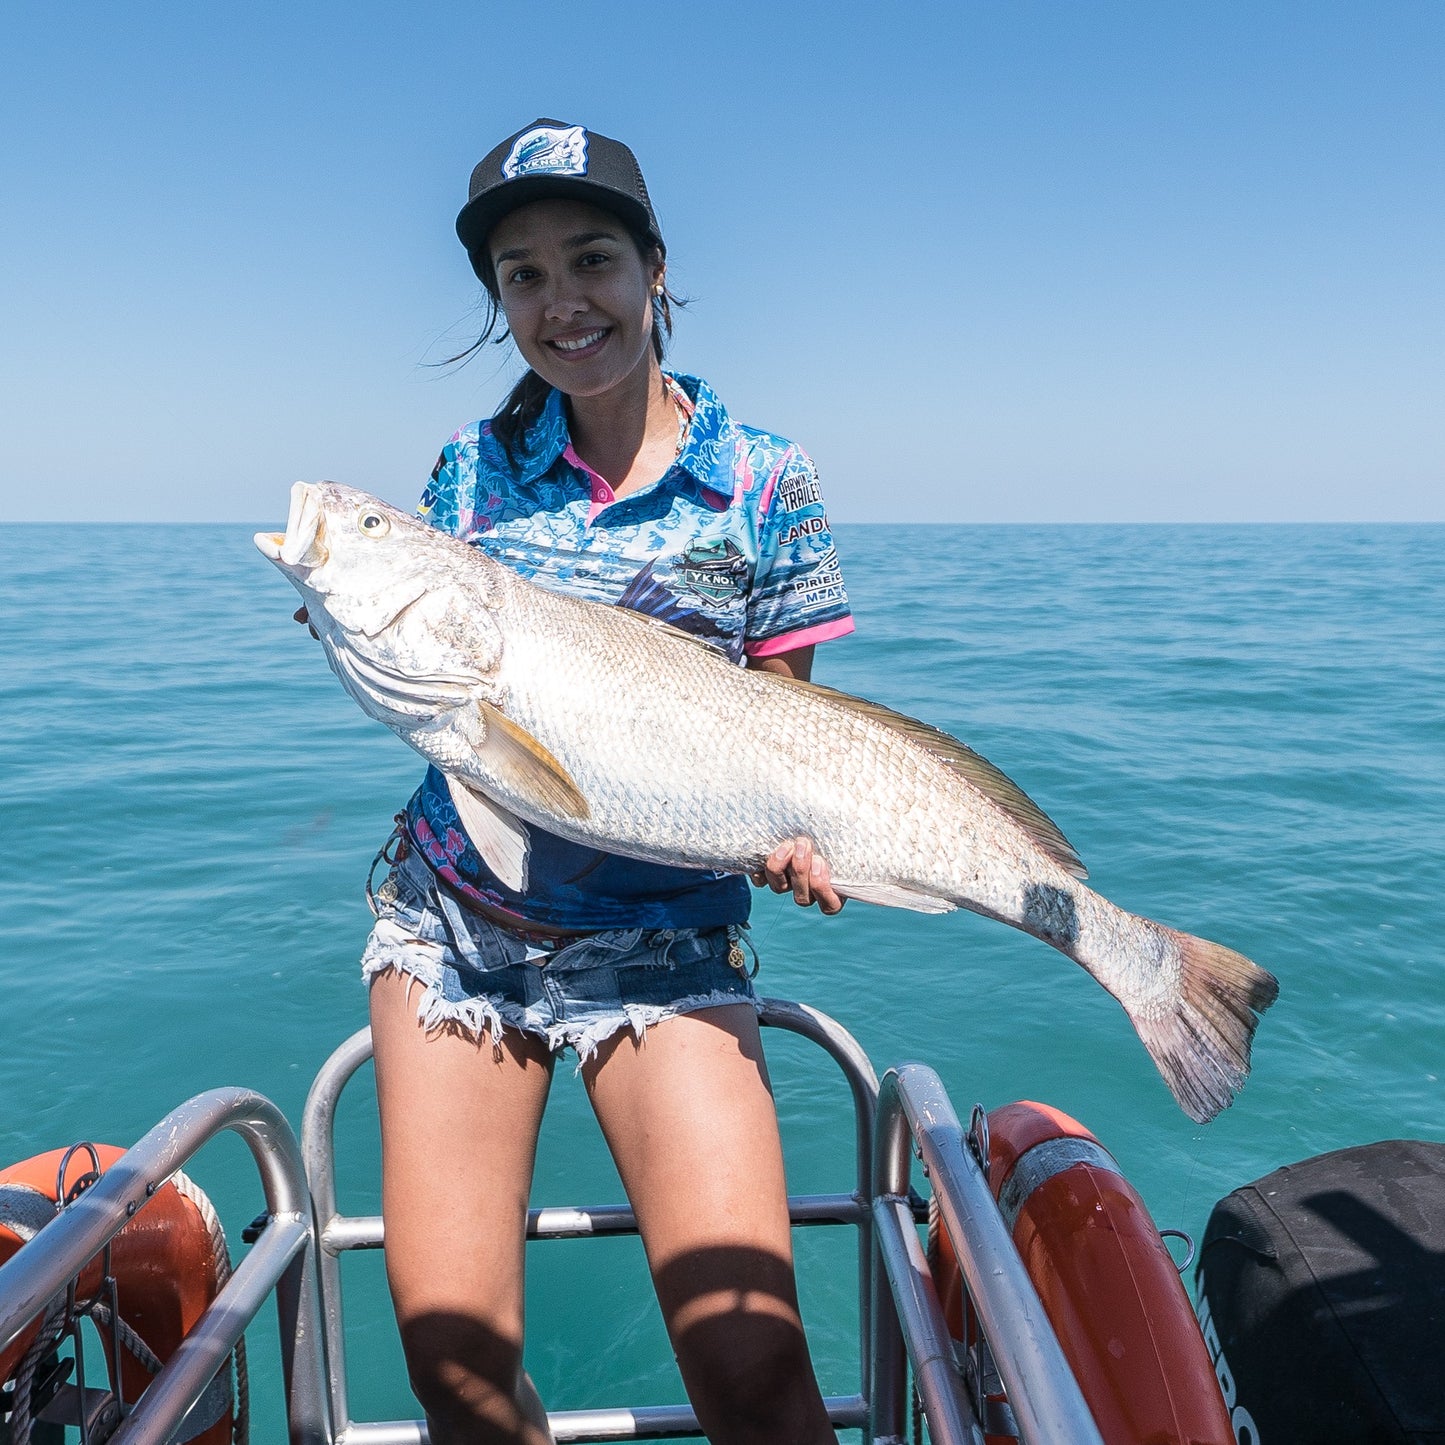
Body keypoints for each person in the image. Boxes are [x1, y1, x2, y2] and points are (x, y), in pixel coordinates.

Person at [356, 119, 855, 1445]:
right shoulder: (466, 472)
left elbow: (785, 732)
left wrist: (790, 840)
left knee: (750, 1367)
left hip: (667, 938)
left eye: (590, 260)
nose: (559, 302)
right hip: (457, 930)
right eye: (520, 276)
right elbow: (446, 701)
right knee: (451, 1365)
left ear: (653, 268)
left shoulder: (760, 478)